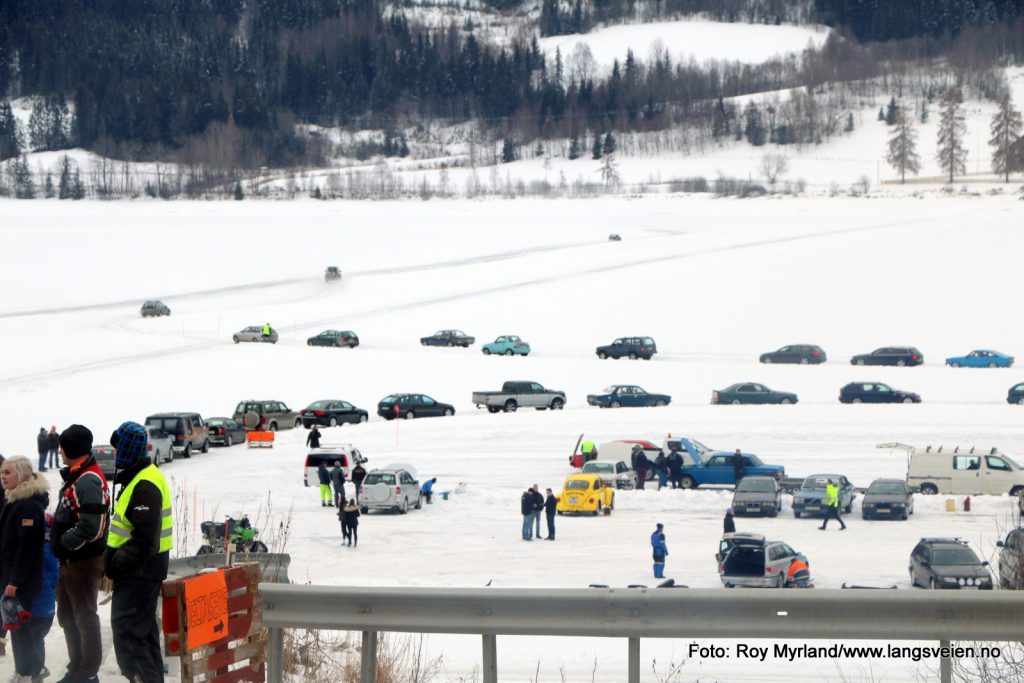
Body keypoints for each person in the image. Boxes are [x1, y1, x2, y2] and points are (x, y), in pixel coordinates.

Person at [106, 421, 173, 683]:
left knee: (130, 640)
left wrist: (118, 564)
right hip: (141, 574)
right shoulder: (142, 476)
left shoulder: (145, 484)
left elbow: (145, 540)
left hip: (138, 575)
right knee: (142, 638)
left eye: (117, 448)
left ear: (126, 450)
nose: (114, 453)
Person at [53, 424, 109, 683]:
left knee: (84, 617)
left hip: (83, 561)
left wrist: (65, 542)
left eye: (62, 446)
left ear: (70, 448)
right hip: (70, 561)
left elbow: (92, 527)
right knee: (66, 616)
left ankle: (87, 673)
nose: (60, 451)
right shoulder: (77, 475)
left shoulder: (88, 480)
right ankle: (76, 666)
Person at [0, 456, 49, 683]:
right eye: (2, 473)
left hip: (21, 581)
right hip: (10, 577)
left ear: (21, 475)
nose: (3, 477)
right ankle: (25, 670)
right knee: (15, 626)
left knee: (21, 628)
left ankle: (31, 671)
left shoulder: (28, 505)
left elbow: (26, 549)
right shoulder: (14, 500)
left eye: (8, 472)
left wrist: (14, 581)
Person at [32, 513, 59, 683]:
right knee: (37, 639)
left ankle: (36, 670)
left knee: (30, 639)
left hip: (37, 606)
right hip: (47, 608)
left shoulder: (39, 552)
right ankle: (37, 672)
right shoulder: (54, 551)